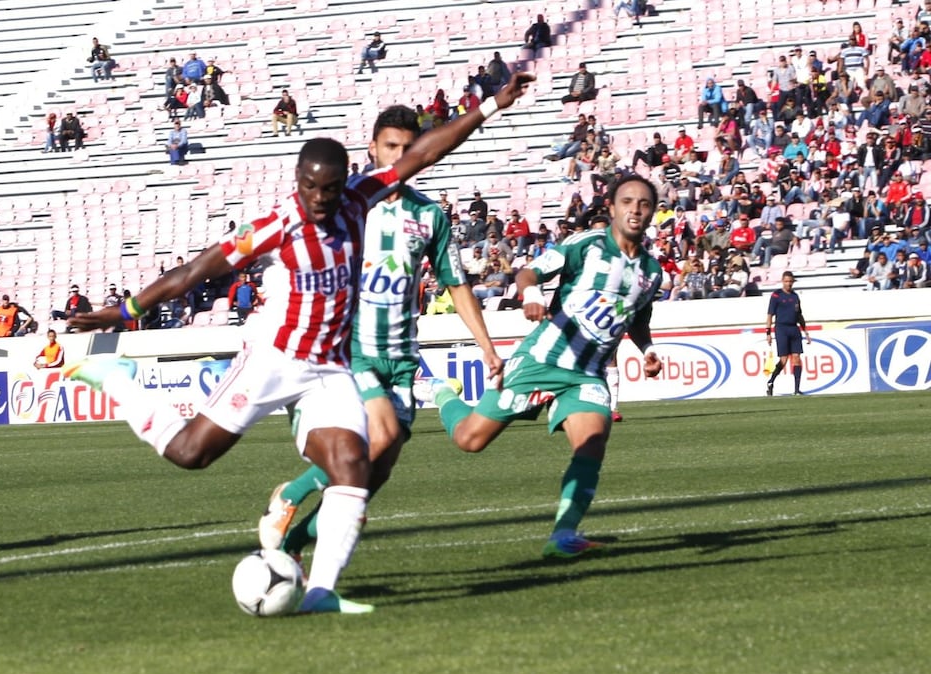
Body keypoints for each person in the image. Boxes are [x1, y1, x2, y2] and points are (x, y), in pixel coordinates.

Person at [61, 73, 535, 614]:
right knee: (192, 454)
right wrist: (124, 312)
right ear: (297, 181)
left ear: (342, 183)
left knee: (353, 465)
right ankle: (123, 385)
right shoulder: (276, 227)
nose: (318, 198)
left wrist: (492, 105)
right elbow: (196, 270)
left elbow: (424, 154)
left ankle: (321, 592)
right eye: (308, 186)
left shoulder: (360, 198)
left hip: (330, 368)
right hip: (275, 359)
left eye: (327, 188)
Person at [257, 106, 504, 559]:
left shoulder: (429, 216)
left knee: (373, 477)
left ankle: (295, 542)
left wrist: (486, 346)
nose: (399, 156)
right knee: (381, 435)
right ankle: (291, 495)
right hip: (351, 349)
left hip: (401, 357)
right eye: (390, 147)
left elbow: (456, 283)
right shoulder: (348, 202)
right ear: (371, 149)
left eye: (408, 149)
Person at [418, 174, 664, 560]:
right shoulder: (585, 245)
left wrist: (647, 348)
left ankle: (564, 534)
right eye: (628, 202)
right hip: (543, 359)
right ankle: (441, 389)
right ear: (613, 208)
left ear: (653, 212)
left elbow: (638, 318)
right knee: (470, 439)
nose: (636, 209)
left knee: (592, 444)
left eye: (645, 203)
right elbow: (528, 272)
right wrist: (531, 294)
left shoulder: (652, 271)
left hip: (588, 374)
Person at [764, 271, 810, 396]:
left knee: (796, 358)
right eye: (786, 281)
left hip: (794, 329)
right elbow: (770, 315)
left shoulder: (795, 296)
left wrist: (805, 330)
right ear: (782, 281)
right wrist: (768, 332)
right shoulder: (776, 295)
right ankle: (771, 381)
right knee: (783, 360)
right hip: (781, 329)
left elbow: (799, 315)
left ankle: (796, 389)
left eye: (790, 281)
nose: (788, 284)